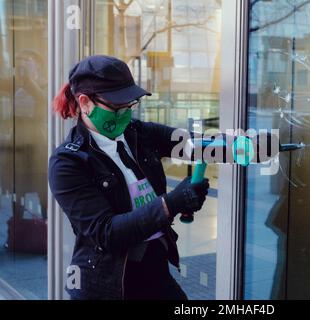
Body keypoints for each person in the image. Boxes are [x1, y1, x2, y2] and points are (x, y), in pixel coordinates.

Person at [48, 55, 210, 300]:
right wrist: (172, 203)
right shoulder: (67, 163)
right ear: (85, 102)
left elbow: (196, 146)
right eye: (116, 106)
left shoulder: (138, 133)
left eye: (130, 104)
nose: (125, 114)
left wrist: (260, 146)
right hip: (108, 285)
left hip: (154, 270)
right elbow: (106, 232)